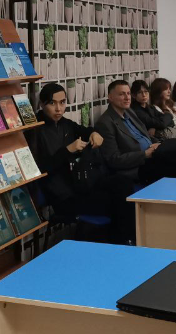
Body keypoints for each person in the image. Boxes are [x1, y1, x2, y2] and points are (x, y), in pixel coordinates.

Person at [31, 83, 134, 244]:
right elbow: (40, 169)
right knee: (117, 202)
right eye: (52, 103)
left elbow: (85, 131)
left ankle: (124, 240)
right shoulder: (35, 130)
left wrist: (94, 133)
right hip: (62, 196)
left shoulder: (65, 123)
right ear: (42, 104)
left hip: (80, 185)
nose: (58, 109)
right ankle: (120, 244)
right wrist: (67, 150)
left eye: (62, 102)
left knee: (123, 183)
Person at [96, 80, 176, 185]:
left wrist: (156, 143)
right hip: (138, 165)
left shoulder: (129, 112)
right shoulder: (105, 123)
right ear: (110, 97)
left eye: (128, 93)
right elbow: (114, 159)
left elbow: (145, 134)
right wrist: (145, 154)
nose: (127, 98)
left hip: (153, 152)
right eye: (122, 94)